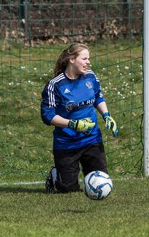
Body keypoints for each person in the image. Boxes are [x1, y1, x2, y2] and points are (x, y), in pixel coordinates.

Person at [41, 42, 118, 193]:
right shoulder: (55, 85)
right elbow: (47, 116)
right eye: (84, 59)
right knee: (68, 189)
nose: (88, 62)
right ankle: (55, 176)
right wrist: (73, 124)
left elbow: (98, 97)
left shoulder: (90, 76)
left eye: (88, 59)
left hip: (92, 140)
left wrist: (107, 116)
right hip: (67, 143)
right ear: (71, 59)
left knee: (100, 179)